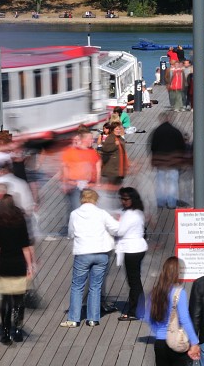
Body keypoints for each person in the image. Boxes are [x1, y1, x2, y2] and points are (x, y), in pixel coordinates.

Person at [60, 189, 118, 328]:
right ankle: (93, 319)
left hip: (83, 253)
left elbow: (71, 233)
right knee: (96, 286)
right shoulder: (102, 213)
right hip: (101, 253)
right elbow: (115, 228)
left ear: (81, 199)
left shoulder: (74, 214)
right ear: (95, 199)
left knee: (77, 286)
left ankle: (74, 319)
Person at [0, 194, 34, 345]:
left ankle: (6, 332)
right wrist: (29, 266)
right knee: (19, 300)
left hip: (4, 264)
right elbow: (25, 246)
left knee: (5, 300)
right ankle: (18, 330)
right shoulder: (20, 221)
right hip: (19, 263)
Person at [149, 257, 200, 366]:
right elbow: (184, 319)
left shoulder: (155, 292)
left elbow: (151, 318)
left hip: (160, 343)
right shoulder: (179, 292)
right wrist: (194, 342)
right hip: (175, 342)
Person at [115, 187, 147, 321]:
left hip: (131, 249)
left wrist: (114, 222)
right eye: (121, 198)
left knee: (133, 281)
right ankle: (139, 308)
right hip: (138, 247)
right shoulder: (138, 212)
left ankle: (135, 311)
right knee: (135, 280)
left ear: (132, 199)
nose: (123, 201)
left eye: (126, 199)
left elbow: (119, 231)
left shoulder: (130, 214)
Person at [60, 127, 101, 231]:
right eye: (90, 139)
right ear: (84, 140)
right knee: (75, 208)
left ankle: (85, 229)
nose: (93, 141)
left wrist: (97, 182)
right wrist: (65, 183)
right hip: (74, 185)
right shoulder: (71, 152)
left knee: (89, 208)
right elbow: (65, 168)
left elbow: (98, 166)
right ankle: (73, 230)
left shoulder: (92, 152)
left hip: (88, 185)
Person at [150, 112, 186, 209]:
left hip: (160, 161)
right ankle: (171, 202)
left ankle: (161, 202)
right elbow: (182, 147)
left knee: (160, 182)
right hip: (173, 162)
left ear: (161, 120)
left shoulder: (157, 131)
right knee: (173, 182)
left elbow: (153, 146)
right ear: (170, 119)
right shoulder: (176, 131)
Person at [100, 122, 128, 188]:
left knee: (118, 188)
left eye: (119, 129)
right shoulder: (110, 138)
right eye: (117, 129)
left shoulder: (120, 138)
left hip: (119, 168)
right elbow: (105, 149)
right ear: (113, 130)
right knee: (112, 188)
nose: (119, 131)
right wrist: (115, 145)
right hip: (112, 169)